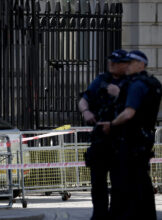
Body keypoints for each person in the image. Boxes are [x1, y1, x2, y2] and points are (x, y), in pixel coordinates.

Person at [99, 50, 162, 220]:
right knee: (142, 182)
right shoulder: (152, 83)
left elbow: (129, 113)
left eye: (131, 63)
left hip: (131, 140)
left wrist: (111, 124)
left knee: (127, 184)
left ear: (141, 65)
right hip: (144, 139)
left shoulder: (137, 85)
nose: (127, 65)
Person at [78, 49, 129, 220]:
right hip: (100, 140)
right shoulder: (101, 80)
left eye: (116, 62)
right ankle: (99, 215)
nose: (112, 65)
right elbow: (85, 97)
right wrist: (85, 111)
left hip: (121, 140)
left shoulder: (132, 82)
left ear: (124, 65)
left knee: (119, 184)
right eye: (110, 62)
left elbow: (139, 106)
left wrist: (120, 94)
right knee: (97, 183)